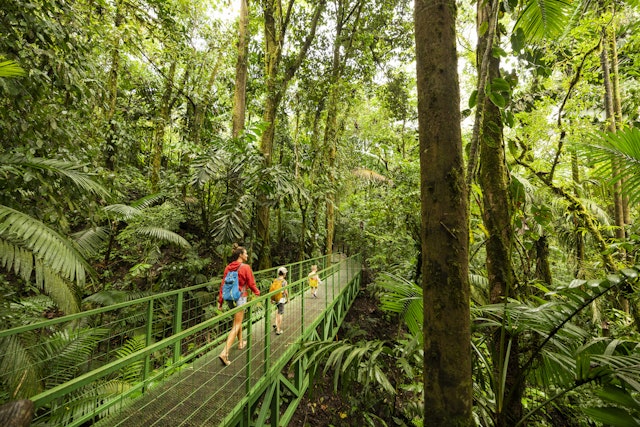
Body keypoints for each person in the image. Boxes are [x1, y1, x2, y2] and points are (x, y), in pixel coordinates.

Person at [217, 243, 260, 366]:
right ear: (240, 255)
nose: (247, 255)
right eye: (246, 253)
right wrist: (257, 293)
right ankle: (224, 353)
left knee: (237, 320)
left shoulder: (228, 267)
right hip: (241, 297)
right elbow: (251, 284)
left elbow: (223, 285)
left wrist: (220, 301)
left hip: (230, 298)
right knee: (236, 324)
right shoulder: (245, 267)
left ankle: (241, 342)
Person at [271, 267, 288, 335]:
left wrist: (272, 299)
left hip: (276, 298)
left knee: (278, 310)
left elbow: (272, 289)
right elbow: (286, 291)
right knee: (281, 313)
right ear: (284, 274)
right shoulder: (284, 281)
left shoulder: (275, 280)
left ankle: (276, 323)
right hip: (281, 298)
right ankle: (278, 329)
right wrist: (288, 298)